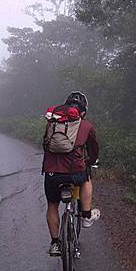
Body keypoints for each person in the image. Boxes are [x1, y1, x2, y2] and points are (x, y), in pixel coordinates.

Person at [43, 91, 100, 257]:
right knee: (86, 178)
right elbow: (94, 149)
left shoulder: (52, 123)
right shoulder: (86, 126)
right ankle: (86, 215)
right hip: (75, 172)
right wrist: (92, 161)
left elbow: (45, 144)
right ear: (83, 111)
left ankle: (54, 244)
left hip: (52, 172)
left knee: (52, 206)